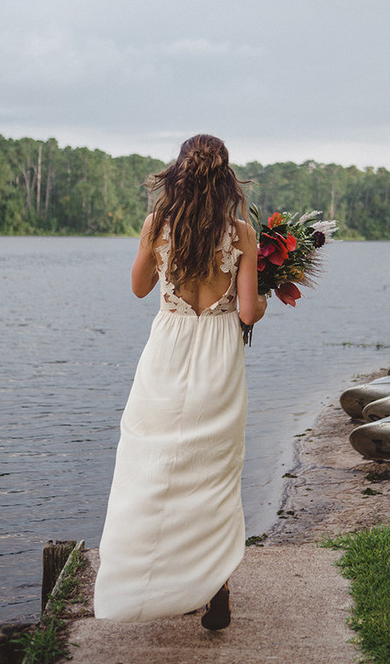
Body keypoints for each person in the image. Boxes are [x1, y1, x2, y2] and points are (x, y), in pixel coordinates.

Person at [93, 134, 267, 630]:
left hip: (167, 351)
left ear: (179, 173)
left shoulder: (157, 224)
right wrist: (263, 299)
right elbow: (249, 312)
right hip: (218, 355)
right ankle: (215, 588)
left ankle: (147, 579)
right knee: (212, 474)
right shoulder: (240, 234)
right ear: (225, 179)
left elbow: (139, 288)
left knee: (151, 465)